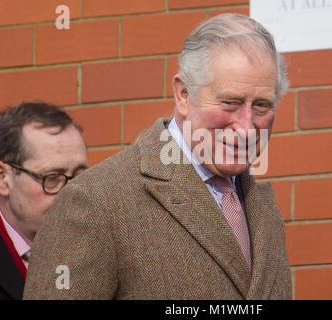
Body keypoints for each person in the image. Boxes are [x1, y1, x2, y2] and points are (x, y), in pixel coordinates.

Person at [23, 14, 292, 299]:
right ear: (184, 94)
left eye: (262, 106)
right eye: (230, 102)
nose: (247, 127)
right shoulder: (95, 202)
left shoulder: (260, 207)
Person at [0, 102, 88, 299]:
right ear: (1, 177)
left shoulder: (101, 239)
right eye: (52, 178)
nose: (70, 193)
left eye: (80, 175)